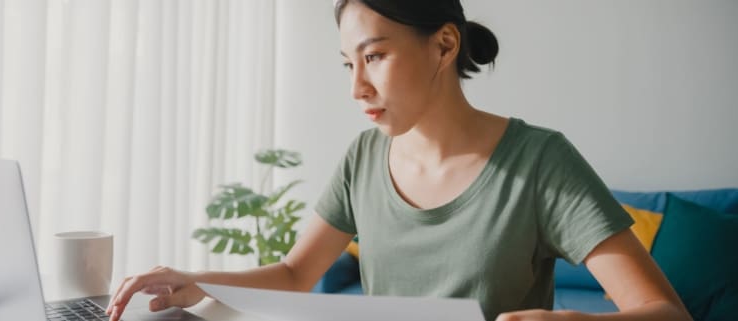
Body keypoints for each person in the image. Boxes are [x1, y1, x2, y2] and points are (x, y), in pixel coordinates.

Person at [107, 1, 693, 320]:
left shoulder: (540, 161)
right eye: (347, 64)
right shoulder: (364, 156)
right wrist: (193, 280)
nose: (357, 87)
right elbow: (294, 275)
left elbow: (663, 311)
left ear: (444, 45)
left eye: (375, 56)